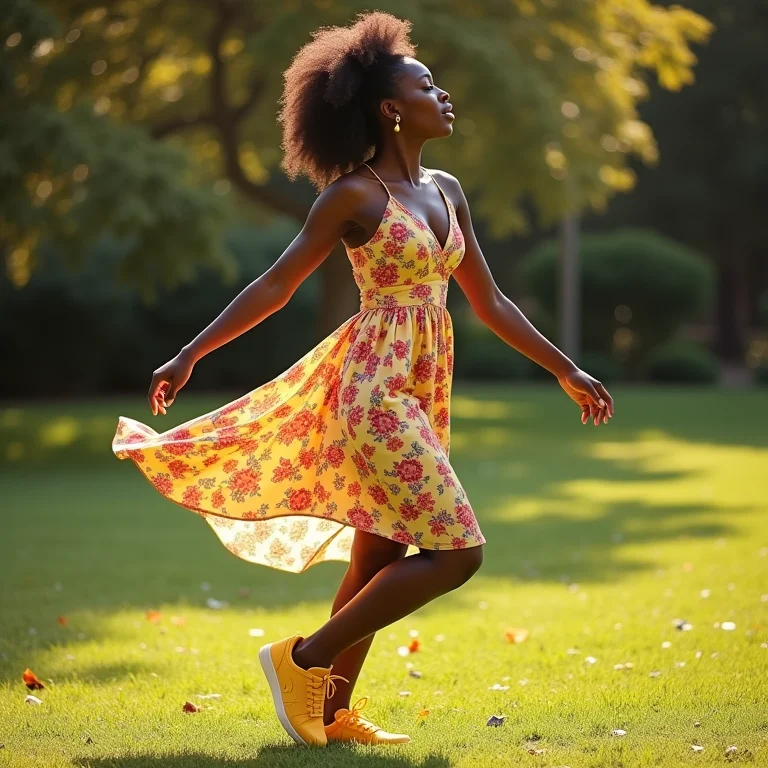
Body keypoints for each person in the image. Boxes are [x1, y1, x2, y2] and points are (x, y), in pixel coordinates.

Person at [112, 10, 614, 749]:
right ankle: (301, 658)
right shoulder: (353, 196)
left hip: (423, 384)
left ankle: (330, 712)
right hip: (373, 391)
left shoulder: (446, 190)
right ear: (389, 108)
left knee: (380, 555)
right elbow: (278, 283)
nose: (442, 95)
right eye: (426, 84)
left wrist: (565, 368)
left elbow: (490, 300)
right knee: (456, 551)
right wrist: (192, 352)